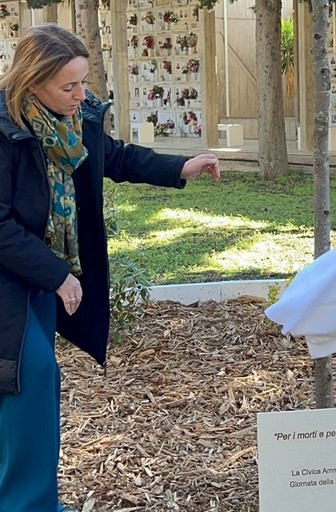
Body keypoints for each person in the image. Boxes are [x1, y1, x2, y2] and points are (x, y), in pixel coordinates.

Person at [0, 25, 220, 512]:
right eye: (69, 86)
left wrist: (180, 168)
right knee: (28, 384)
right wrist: (57, 275)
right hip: (12, 280)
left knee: (30, 388)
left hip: (36, 277)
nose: (82, 95)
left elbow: (113, 157)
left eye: (83, 83)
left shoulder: (71, 120)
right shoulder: (4, 129)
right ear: (32, 83)